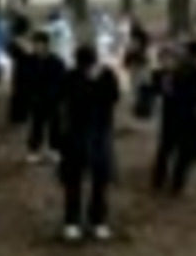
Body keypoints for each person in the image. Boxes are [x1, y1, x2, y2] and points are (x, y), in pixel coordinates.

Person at [58, 45, 121, 242]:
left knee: (100, 179)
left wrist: (96, 82)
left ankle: (97, 221)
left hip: (100, 132)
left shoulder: (107, 75)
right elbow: (68, 101)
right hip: (77, 133)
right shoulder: (71, 77)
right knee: (74, 179)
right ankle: (72, 222)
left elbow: (114, 97)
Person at [152, 40, 196, 197]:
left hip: (173, 114)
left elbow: (164, 90)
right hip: (188, 114)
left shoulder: (174, 69)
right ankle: (175, 185)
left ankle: (160, 181)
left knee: (167, 148)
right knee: (182, 151)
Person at [26, 31, 67, 163]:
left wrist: (58, 95)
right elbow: (26, 80)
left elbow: (62, 80)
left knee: (55, 125)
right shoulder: (30, 61)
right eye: (35, 44)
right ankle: (34, 150)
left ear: (46, 45)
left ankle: (55, 149)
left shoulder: (56, 61)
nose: (38, 47)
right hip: (36, 99)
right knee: (36, 126)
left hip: (52, 99)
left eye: (40, 44)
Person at [7, 14, 34, 126]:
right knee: (22, 92)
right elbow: (29, 54)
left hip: (19, 68)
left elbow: (10, 53)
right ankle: (20, 115)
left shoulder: (15, 40)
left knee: (19, 91)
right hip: (24, 68)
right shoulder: (21, 41)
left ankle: (18, 115)